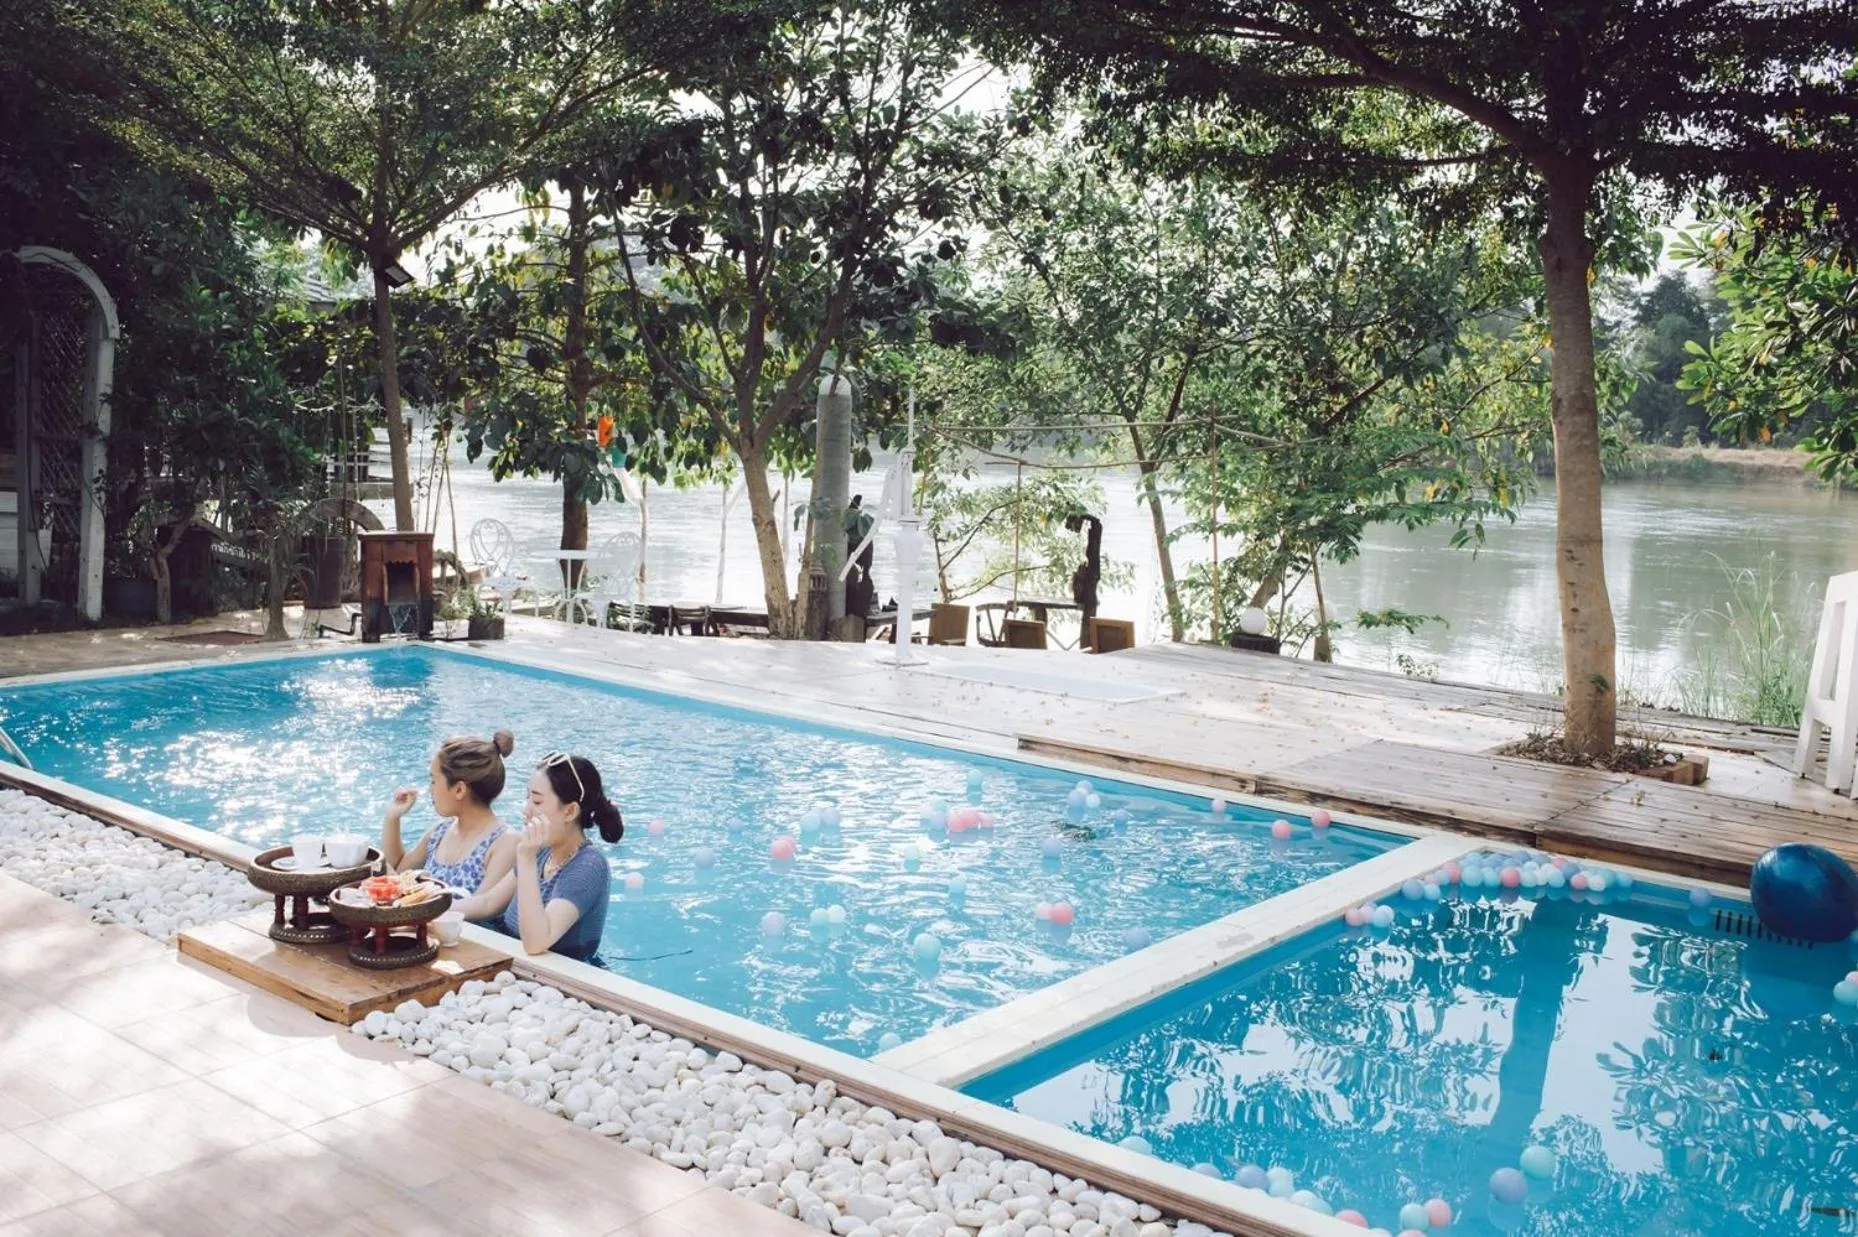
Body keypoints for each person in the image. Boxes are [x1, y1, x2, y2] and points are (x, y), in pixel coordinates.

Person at [482, 751, 623, 961]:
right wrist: (436, 909)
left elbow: (536, 943)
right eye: (527, 798)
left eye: (537, 802)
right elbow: (489, 903)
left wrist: (526, 858)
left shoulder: (589, 866)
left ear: (569, 811)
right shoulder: (543, 849)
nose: (526, 809)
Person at [381, 730, 518, 920]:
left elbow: (482, 908)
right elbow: (397, 872)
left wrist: (421, 907)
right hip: (425, 933)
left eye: (434, 780)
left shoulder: (505, 842)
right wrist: (392, 818)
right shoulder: (440, 832)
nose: (430, 789)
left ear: (459, 789)